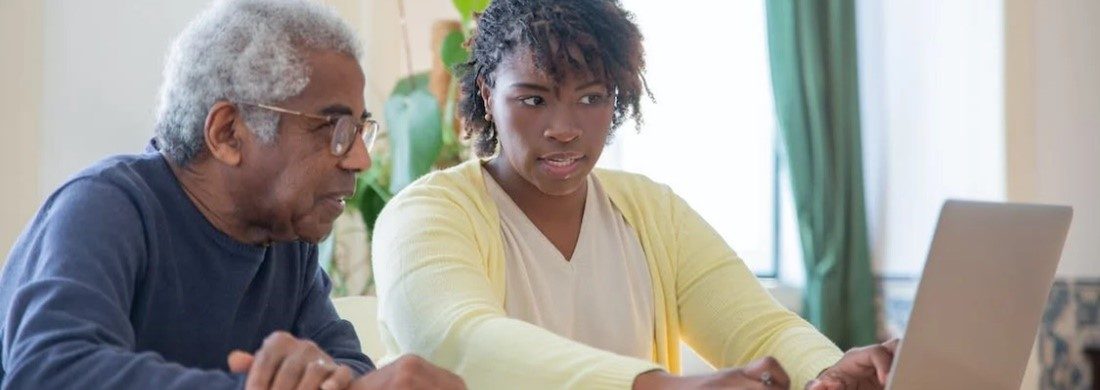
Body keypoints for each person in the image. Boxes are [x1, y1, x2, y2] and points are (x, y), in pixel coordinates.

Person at [371, 0, 897, 388]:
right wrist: (662, 386)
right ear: (487, 94)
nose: (565, 128)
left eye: (591, 98)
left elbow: (756, 326)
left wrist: (826, 372)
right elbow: (461, 343)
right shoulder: (425, 216)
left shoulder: (651, 211)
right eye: (533, 99)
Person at [0, 1, 464, 389]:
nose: (360, 158)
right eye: (335, 128)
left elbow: (347, 367)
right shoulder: (105, 208)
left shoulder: (288, 244)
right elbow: (49, 369)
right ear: (227, 133)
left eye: (361, 129)